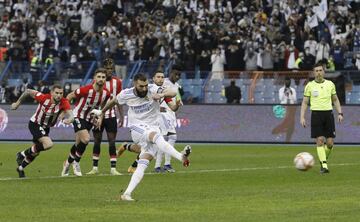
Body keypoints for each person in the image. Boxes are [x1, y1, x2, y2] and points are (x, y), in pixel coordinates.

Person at [93, 73, 191, 201]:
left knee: (143, 164)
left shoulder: (152, 89)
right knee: (156, 137)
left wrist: (161, 95)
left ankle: (126, 194)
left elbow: (173, 92)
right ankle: (180, 157)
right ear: (134, 84)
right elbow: (114, 101)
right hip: (137, 128)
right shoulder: (126, 94)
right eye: (141, 86)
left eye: (145, 86)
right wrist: (101, 112)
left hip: (153, 127)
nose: (144, 89)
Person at [11, 85, 74, 178]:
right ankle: (22, 154)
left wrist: (70, 120)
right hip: (35, 124)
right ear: (51, 93)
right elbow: (28, 91)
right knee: (48, 144)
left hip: (46, 127)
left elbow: (71, 115)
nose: (59, 95)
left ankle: (20, 168)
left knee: (36, 151)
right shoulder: (44, 98)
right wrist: (17, 104)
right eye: (56, 93)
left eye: (61, 93)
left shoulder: (64, 102)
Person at [61, 68, 111, 177]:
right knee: (86, 139)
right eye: (99, 77)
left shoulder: (106, 93)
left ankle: (67, 163)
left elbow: (102, 107)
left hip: (89, 119)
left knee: (78, 144)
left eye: (103, 77)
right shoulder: (85, 90)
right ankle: (76, 162)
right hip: (77, 116)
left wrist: (100, 118)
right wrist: (65, 112)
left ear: (105, 79)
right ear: (94, 78)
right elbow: (68, 97)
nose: (101, 79)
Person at [300, 62, 344, 174]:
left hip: (328, 114)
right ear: (313, 73)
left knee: (330, 143)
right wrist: (302, 117)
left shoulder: (330, 84)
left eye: (320, 70)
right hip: (316, 115)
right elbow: (305, 102)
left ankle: (322, 159)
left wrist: (340, 113)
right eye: (316, 71)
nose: (318, 73)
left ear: (324, 72)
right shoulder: (309, 85)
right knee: (320, 140)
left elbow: (335, 99)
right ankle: (324, 166)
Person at [86, 58, 124, 176]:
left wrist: (121, 116)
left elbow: (118, 100)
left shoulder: (117, 82)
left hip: (111, 116)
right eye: (107, 69)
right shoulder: (97, 81)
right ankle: (94, 168)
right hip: (98, 115)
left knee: (112, 142)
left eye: (111, 69)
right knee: (97, 141)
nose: (109, 71)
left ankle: (113, 168)